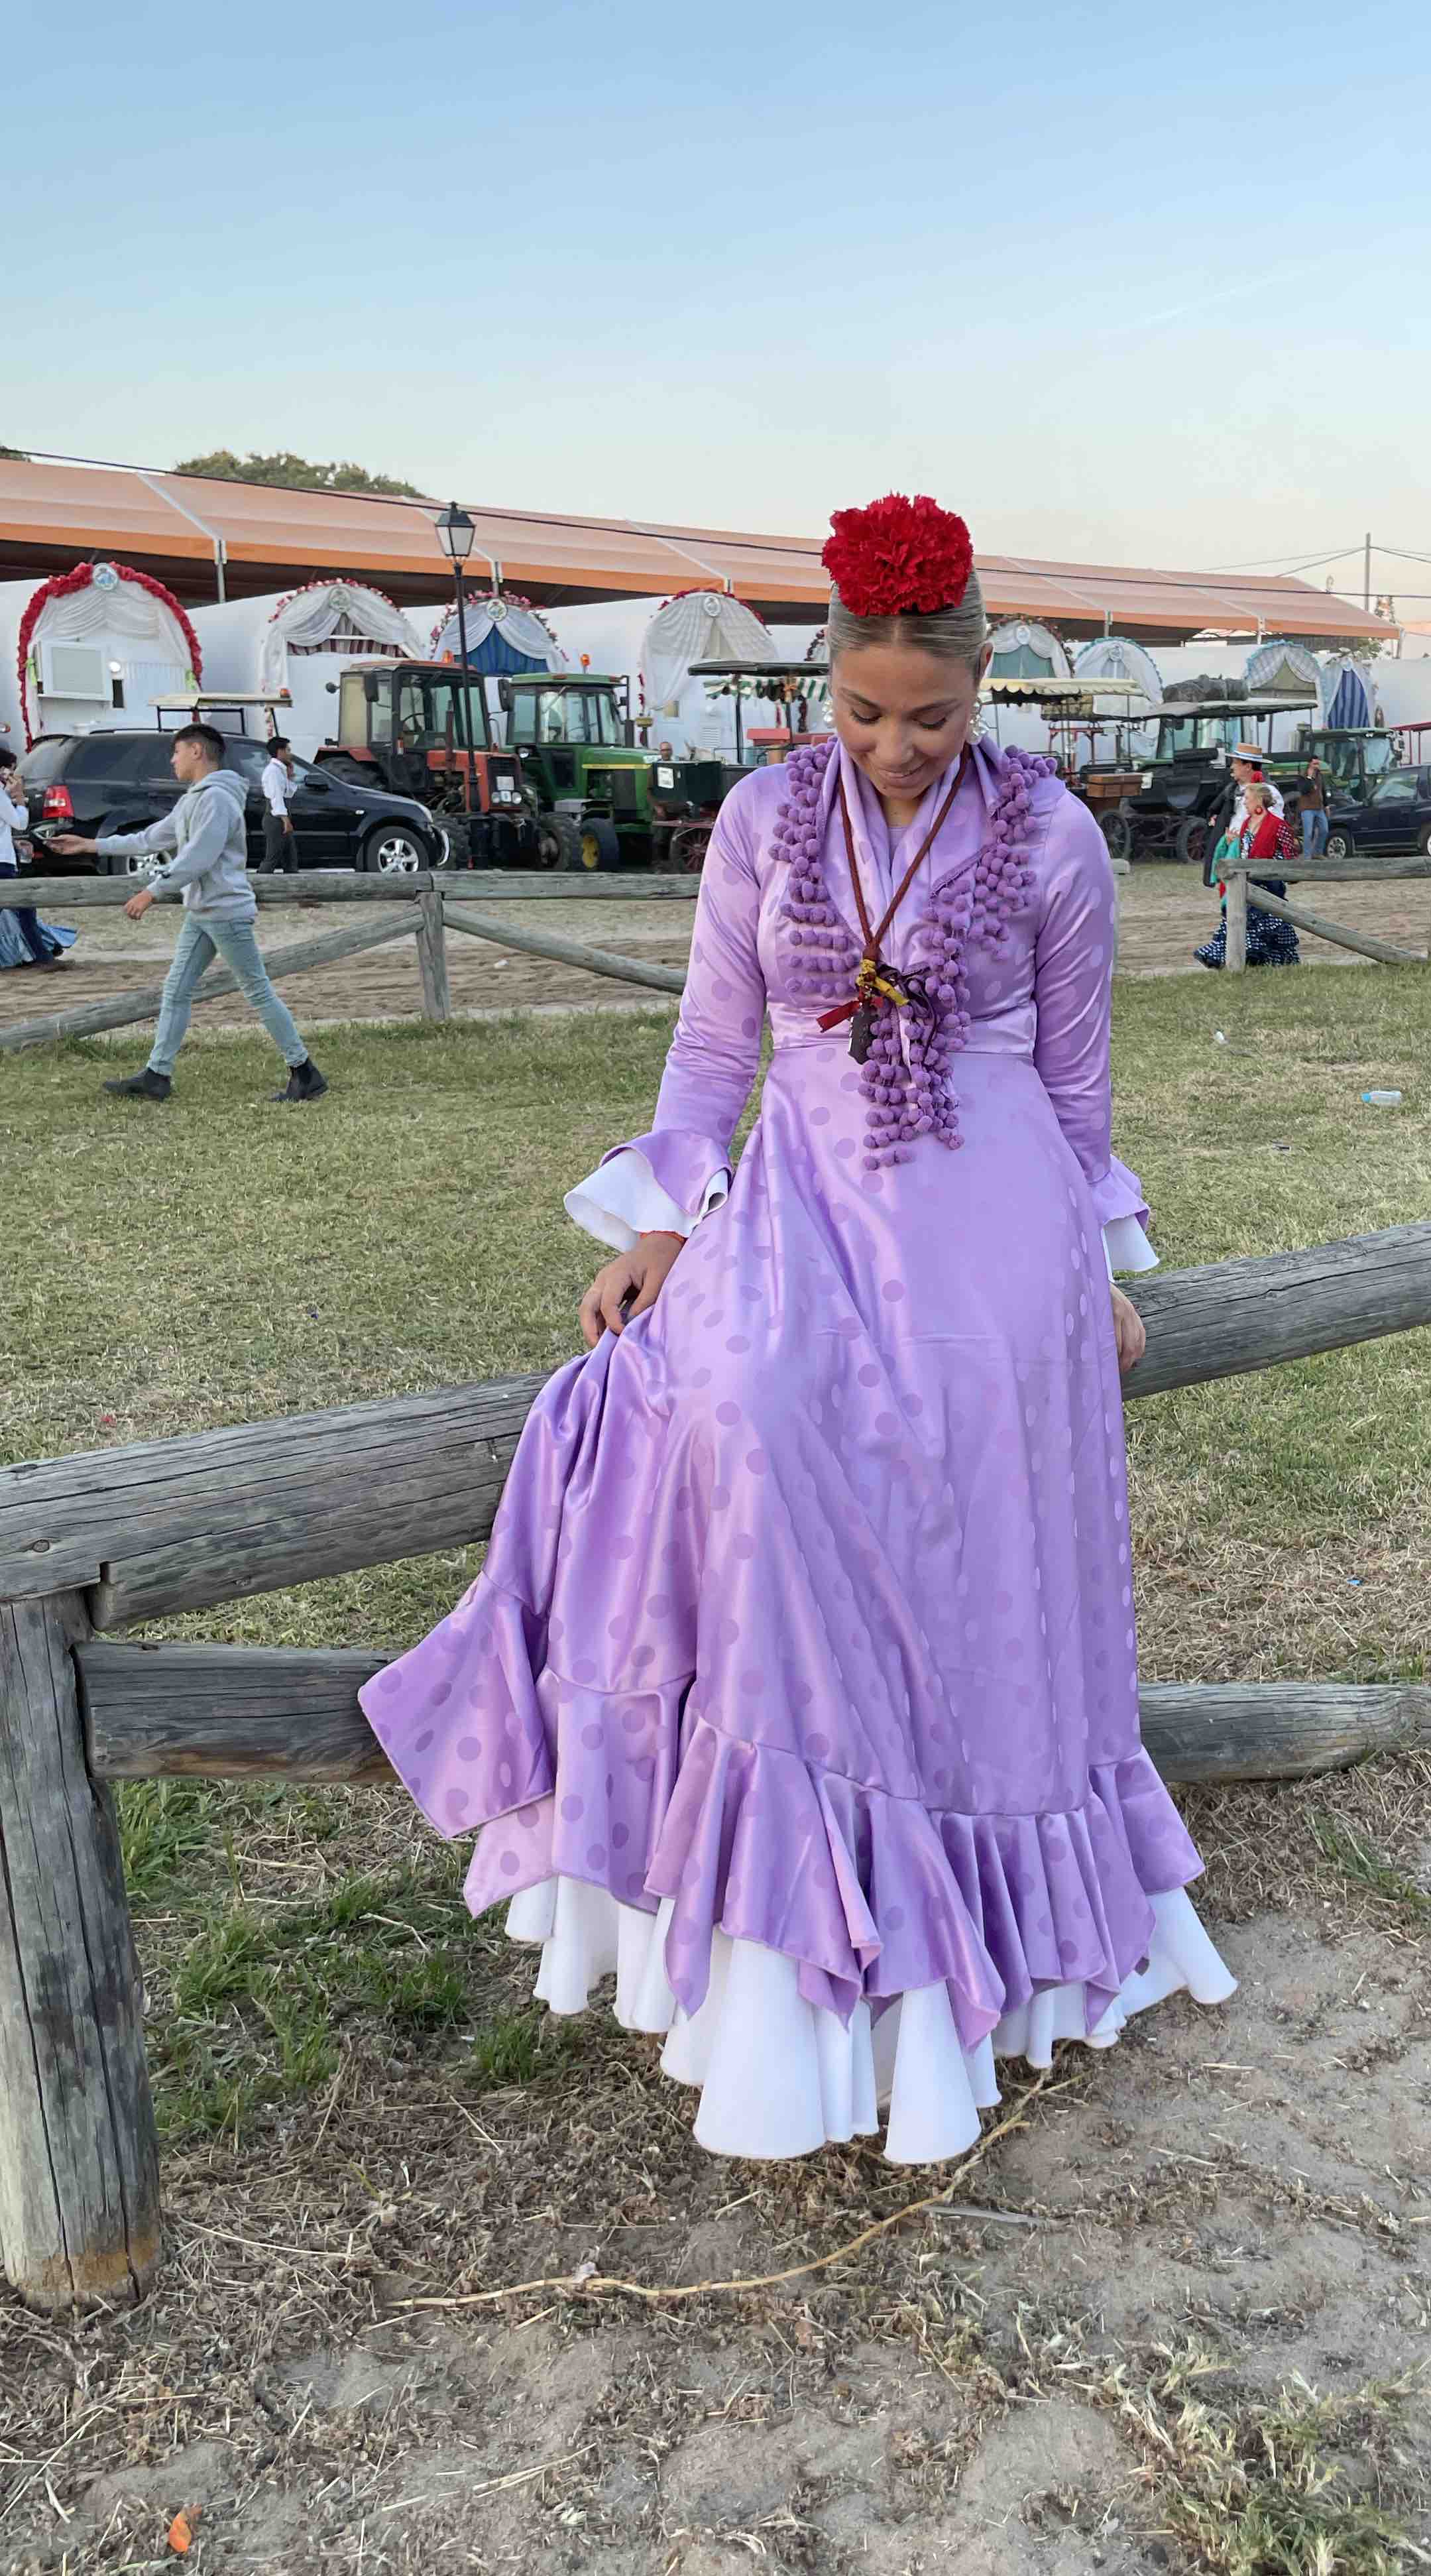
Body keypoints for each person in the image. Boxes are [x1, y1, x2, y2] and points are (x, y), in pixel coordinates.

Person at [359, 493, 1232, 2164]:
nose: (899, 746)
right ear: (819, 685)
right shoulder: (762, 819)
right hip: (807, 1193)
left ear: (986, 686)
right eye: (865, 712)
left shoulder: (1055, 840)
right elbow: (710, 1047)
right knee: (743, 1415)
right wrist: (667, 1227)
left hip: (1001, 1215)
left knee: (978, 1524)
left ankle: (984, 1931)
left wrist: (1100, 1267)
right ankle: (790, 1935)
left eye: (934, 716)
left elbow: (1075, 1078)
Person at [48, 722, 330, 1104]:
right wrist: (91, 845)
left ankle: (304, 1071)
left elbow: (199, 856)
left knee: (257, 990)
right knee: (176, 991)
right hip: (202, 912)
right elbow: (150, 837)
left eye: (176, 752)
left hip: (225, 912)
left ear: (197, 751)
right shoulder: (195, 798)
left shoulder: (217, 799)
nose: (172, 760)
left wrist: (152, 891)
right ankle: (157, 1075)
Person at [1193, 746, 1299, 968]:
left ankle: (1255, 957)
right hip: (1236, 857)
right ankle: (1243, 957)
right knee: (1236, 909)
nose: (1232, 767)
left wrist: (1245, 839)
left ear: (1248, 766)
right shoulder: (1233, 791)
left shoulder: (1267, 793)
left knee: (1261, 912)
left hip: (1256, 860)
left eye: (1235, 763)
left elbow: (1273, 827)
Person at [0, 746, 78, 970]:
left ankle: (42, 956)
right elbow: (19, 823)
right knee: (25, 906)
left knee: (20, 908)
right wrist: (21, 799)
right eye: (11, 771)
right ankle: (43, 958)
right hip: (3, 864)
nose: (13, 776)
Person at [260, 736, 303, 876]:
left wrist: (290, 777)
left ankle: (293, 891)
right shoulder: (273, 771)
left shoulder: (280, 771)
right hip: (276, 819)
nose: (290, 754)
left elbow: (288, 794)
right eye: (288, 750)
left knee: (290, 858)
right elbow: (276, 799)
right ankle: (259, 886)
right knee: (272, 857)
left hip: (281, 818)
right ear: (280, 752)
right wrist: (286, 821)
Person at [1297, 752, 1329, 858]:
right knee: (1308, 833)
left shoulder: (1320, 775)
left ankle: (1318, 853)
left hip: (1319, 807)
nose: (1317, 766)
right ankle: (1307, 856)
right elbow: (1304, 791)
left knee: (1324, 830)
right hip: (1307, 808)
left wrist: (1326, 805)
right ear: (1309, 764)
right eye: (1315, 764)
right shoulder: (1302, 776)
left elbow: (1323, 790)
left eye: (1318, 764)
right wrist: (1309, 779)